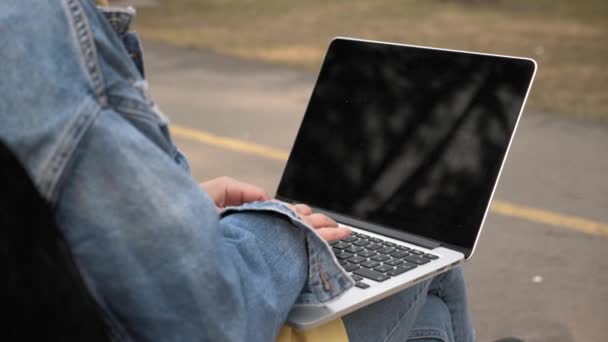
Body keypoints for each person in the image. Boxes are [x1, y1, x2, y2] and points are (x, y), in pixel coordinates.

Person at [0, 0, 475, 341]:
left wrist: (169, 210)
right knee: (433, 272)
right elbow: (205, 323)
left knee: (432, 284)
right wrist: (278, 226)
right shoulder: (38, 31)